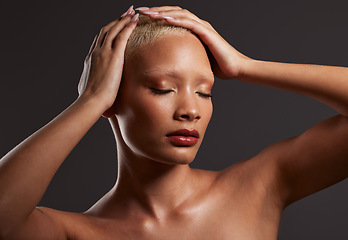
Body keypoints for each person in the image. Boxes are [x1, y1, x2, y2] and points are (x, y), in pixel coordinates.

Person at [0, 5, 348, 239]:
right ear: (113, 98)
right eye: (163, 89)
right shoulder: (75, 231)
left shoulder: (258, 187)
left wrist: (245, 66)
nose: (190, 110)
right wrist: (89, 101)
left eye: (205, 92)